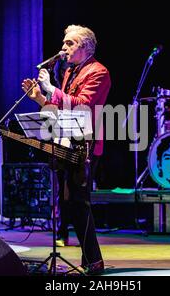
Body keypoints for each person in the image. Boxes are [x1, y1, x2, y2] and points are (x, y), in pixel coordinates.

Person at [22, 24, 111, 275]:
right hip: (67, 141)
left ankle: (94, 262)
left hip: (87, 144)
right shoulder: (70, 71)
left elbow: (82, 105)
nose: (63, 48)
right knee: (69, 203)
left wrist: (51, 89)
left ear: (85, 47)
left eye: (69, 43)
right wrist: (40, 98)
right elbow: (61, 109)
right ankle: (90, 261)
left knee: (79, 203)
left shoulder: (99, 71)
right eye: (64, 43)